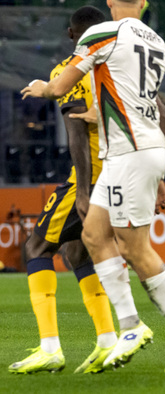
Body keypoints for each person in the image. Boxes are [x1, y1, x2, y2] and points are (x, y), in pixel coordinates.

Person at [21, 0, 165, 376]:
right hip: (135, 148)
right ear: (144, 3)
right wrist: (98, 114)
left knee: (134, 248)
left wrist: (43, 87)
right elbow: (138, 99)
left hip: (130, 152)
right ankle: (131, 326)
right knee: (92, 234)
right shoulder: (156, 41)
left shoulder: (101, 33)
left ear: (109, 2)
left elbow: (60, 87)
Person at [9, 6, 118, 375]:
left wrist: (83, 191)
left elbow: (75, 134)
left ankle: (50, 347)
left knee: (36, 247)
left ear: (73, 35)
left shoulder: (69, 71)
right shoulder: (117, 68)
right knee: (76, 251)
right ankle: (107, 340)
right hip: (125, 171)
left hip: (90, 177)